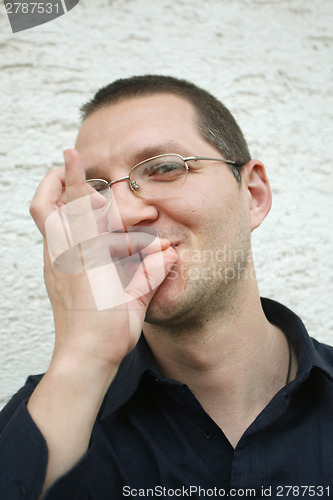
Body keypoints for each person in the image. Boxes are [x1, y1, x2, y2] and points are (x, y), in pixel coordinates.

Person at [0, 75, 332, 500]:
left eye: (165, 168)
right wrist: (85, 355)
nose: (122, 213)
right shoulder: (46, 413)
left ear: (253, 193)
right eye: (96, 191)